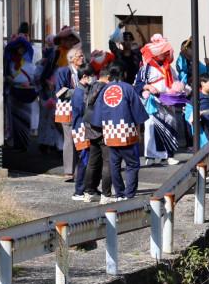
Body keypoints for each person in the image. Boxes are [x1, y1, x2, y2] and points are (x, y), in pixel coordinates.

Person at [92, 63, 148, 199]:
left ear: (109, 76)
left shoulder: (104, 90)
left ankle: (119, 193)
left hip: (110, 132)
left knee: (114, 164)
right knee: (132, 164)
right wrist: (140, 130)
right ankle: (129, 194)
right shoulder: (128, 88)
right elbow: (138, 112)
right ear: (123, 74)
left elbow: (97, 118)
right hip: (127, 131)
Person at [135, 34, 178, 166]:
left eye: (166, 52)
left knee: (170, 123)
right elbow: (137, 85)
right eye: (162, 52)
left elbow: (176, 81)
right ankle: (151, 156)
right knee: (151, 126)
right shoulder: (146, 68)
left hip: (168, 100)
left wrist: (177, 90)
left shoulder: (169, 68)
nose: (165, 55)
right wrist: (148, 87)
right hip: (153, 101)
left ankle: (169, 155)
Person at [53, 45, 86, 180]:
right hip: (67, 109)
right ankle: (68, 171)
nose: (83, 58)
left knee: (82, 138)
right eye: (80, 56)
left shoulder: (83, 71)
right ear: (72, 59)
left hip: (81, 109)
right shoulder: (63, 71)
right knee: (69, 139)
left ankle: (82, 169)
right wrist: (80, 91)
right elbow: (60, 92)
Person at [4, 33, 40, 150]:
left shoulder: (29, 64)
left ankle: (24, 144)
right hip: (14, 93)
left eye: (23, 48)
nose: (21, 50)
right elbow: (7, 75)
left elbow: (35, 77)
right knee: (14, 120)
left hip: (26, 93)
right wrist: (9, 80)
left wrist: (30, 83)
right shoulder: (10, 63)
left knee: (25, 119)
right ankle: (17, 143)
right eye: (19, 48)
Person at [69, 65, 99, 202]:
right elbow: (83, 111)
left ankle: (89, 187)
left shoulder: (83, 90)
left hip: (84, 128)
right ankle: (79, 190)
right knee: (84, 160)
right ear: (84, 77)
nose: (93, 78)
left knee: (89, 160)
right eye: (91, 76)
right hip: (81, 129)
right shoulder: (79, 93)